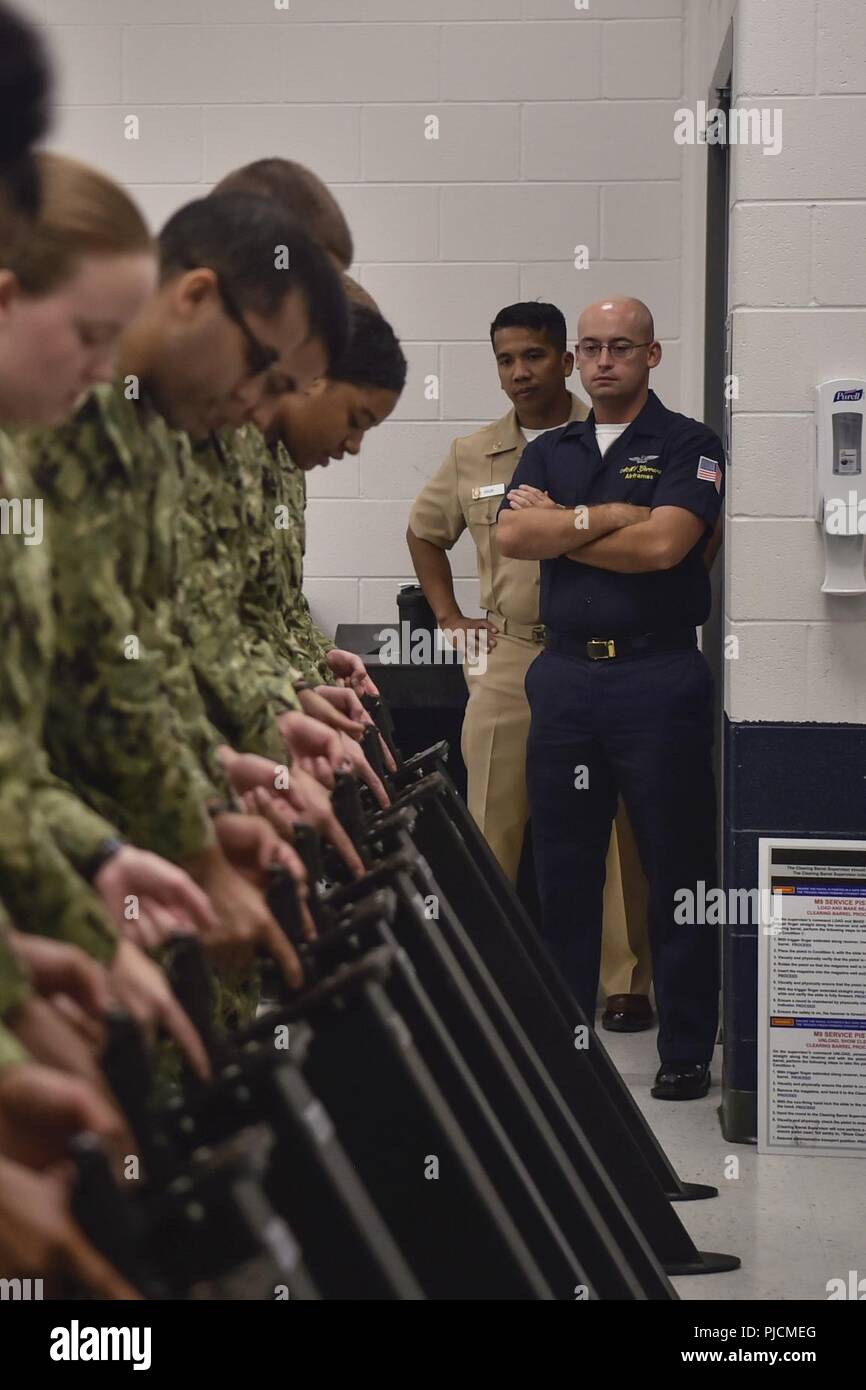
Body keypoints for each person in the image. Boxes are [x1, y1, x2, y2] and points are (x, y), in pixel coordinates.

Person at [498, 296, 725, 1100]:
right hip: (564, 681)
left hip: (656, 678)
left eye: (620, 347)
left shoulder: (688, 442)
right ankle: (566, 1053)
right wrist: (602, 517)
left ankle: (688, 1048)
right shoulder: (551, 447)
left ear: (652, 355)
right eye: (590, 348)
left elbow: (667, 546)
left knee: (677, 867)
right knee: (564, 873)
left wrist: (565, 524)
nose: (603, 361)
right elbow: (511, 537)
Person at [408, 301, 653, 1028]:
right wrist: (452, 620)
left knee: (611, 823)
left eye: (536, 357)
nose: (520, 373)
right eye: (506, 359)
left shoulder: (613, 441)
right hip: (509, 653)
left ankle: (625, 983)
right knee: (490, 816)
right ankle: (484, 972)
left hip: (597, 655)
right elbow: (424, 534)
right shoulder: (472, 453)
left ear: (568, 359)